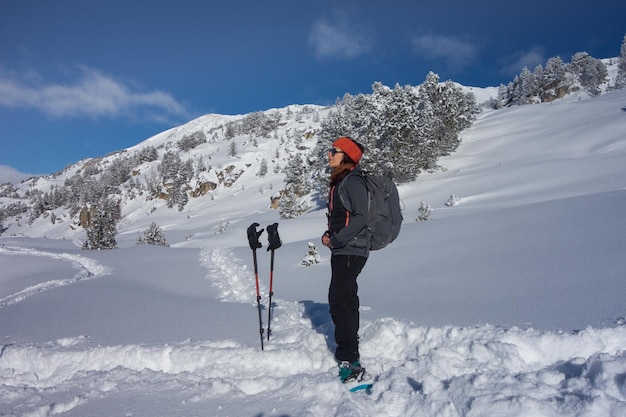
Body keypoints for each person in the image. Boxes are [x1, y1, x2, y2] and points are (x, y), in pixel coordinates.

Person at [321, 136, 369, 383]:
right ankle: (352, 345)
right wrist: (330, 235)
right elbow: (343, 217)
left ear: (346, 156)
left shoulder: (353, 181)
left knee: (338, 299)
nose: (328, 154)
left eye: (334, 151)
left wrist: (338, 240)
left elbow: (362, 218)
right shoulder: (341, 182)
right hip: (344, 248)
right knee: (347, 297)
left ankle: (350, 359)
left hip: (351, 249)